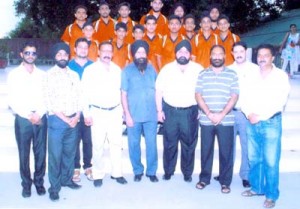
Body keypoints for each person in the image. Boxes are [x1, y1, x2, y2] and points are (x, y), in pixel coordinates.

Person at [241, 44, 290, 208]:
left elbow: (280, 101)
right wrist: (249, 114)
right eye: (259, 55)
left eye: (265, 55)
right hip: (251, 121)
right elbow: (244, 97)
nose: (261, 58)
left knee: (270, 160)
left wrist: (260, 116)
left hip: (271, 122)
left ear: (272, 58)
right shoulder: (251, 75)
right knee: (254, 158)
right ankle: (257, 188)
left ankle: (271, 195)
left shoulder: (280, 76)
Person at [156, 40, 203, 182]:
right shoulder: (167, 69)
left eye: (186, 51)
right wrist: (159, 110)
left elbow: (203, 90)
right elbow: (158, 90)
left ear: (190, 54)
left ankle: (187, 173)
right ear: (176, 53)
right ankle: (168, 171)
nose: (183, 54)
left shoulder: (198, 69)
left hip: (190, 111)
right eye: (180, 51)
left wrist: (201, 108)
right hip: (170, 111)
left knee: (189, 144)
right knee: (169, 143)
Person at [82, 41, 127, 187]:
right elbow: (84, 93)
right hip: (97, 112)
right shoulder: (90, 70)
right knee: (98, 145)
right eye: (104, 51)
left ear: (112, 54)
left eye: (109, 51)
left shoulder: (117, 69)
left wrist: (122, 112)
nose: (107, 54)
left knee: (116, 143)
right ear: (98, 53)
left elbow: (121, 92)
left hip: (115, 112)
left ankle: (117, 173)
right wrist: (86, 113)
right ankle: (98, 174)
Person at [195, 45, 239, 194]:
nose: (217, 57)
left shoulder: (232, 74)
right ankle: (204, 178)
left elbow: (234, 96)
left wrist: (221, 114)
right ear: (210, 56)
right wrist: (208, 113)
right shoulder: (202, 74)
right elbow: (198, 95)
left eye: (220, 54)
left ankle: (225, 182)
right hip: (207, 120)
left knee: (226, 152)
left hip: (226, 120)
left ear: (225, 57)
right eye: (214, 54)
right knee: (206, 151)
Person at [7, 42, 47, 198]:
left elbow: (46, 97)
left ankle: (39, 182)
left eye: (33, 53)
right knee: (24, 154)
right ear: (21, 55)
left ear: (36, 56)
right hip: (23, 119)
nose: (31, 55)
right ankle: (26, 184)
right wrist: (28, 115)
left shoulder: (42, 75)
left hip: (40, 117)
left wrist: (39, 113)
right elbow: (12, 99)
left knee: (40, 152)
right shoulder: (14, 75)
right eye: (27, 53)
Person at [45, 42, 82, 201]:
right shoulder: (49, 76)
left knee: (70, 153)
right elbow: (49, 102)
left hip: (74, 120)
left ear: (69, 56)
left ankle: (67, 180)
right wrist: (67, 119)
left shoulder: (74, 74)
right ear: (55, 57)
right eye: (59, 54)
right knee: (55, 155)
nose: (62, 57)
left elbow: (80, 96)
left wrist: (77, 116)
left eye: (65, 55)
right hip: (57, 121)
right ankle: (54, 187)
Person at [121, 40, 159, 183]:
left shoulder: (152, 69)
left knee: (151, 144)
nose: (141, 55)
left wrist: (159, 110)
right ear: (133, 54)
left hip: (151, 115)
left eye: (143, 52)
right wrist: (127, 115)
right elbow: (123, 94)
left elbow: (158, 91)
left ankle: (151, 171)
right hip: (133, 116)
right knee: (134, 144)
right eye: (138, 52)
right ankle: (137, 170)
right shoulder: (127, 70)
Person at [228, 41, 260, 188]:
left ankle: (246, 175)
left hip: (246, 113)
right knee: (228, 145)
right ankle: (225, 173)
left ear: (246, 52)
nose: (239, 54)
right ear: (232, 54)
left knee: (246, 145)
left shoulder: (255, 69)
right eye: (236, 52)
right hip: (229, 112)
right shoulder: (227, 69)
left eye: (241, 51)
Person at [68, 38, 94, 183]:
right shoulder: (69, 65)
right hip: (73, 108)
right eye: (80, 47)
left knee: (88, 139)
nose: (83, 50)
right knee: (74, 139)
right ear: (75, 49)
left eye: (86, 47)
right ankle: (75, 167)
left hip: (89, 109)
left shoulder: (93, 66)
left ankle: (88, 166)